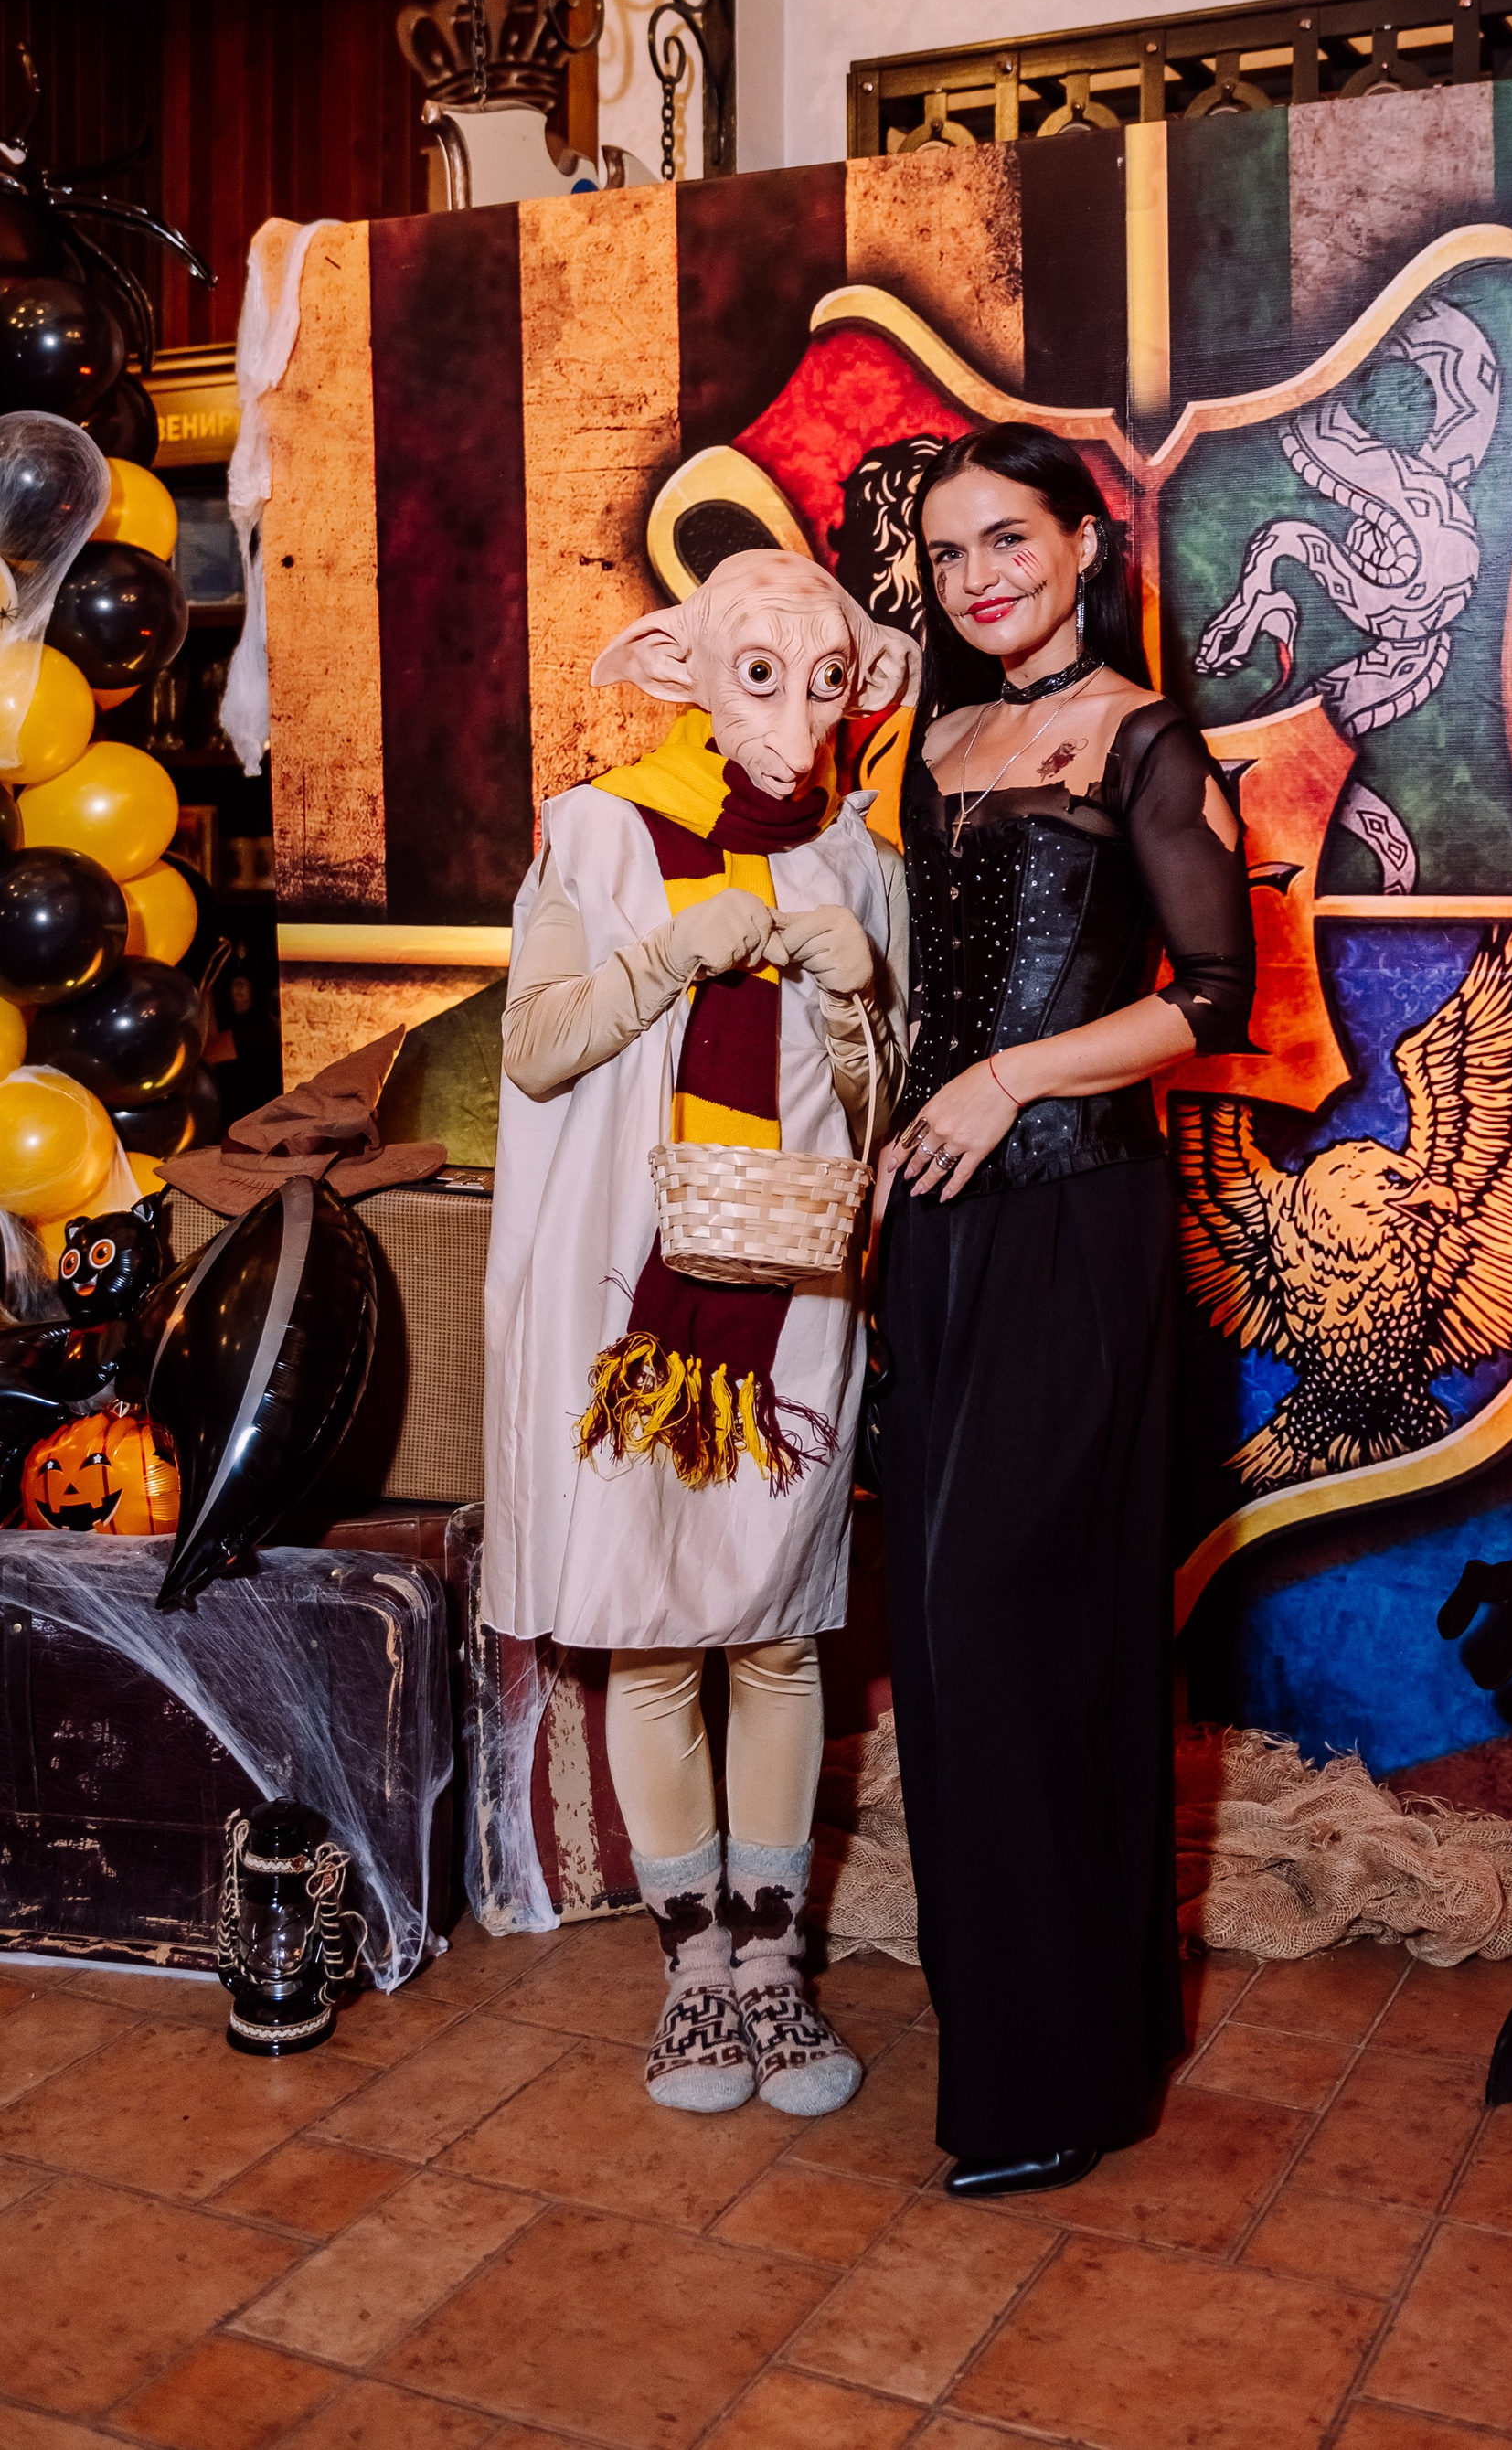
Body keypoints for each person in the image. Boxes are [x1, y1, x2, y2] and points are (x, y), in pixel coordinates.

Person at [483, 549, 914, 2117]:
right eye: (760, 675)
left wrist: (860, 999)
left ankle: (775, 1965)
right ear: (684, 672)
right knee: (656, 1632)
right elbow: (535, 1050)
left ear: (863, 688)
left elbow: (878, 1110)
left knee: (778, 1627)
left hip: (792, 1300)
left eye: (828, 680)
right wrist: (669, 952)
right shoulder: (601, 829)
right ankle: (694, 1972)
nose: (798, 715)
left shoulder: (863, 861)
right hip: (630, 1304)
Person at [877, 424, 1255, 2197]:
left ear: (1085, 546)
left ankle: (1058, 2072)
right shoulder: (936, 743)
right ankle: (1028, 2023)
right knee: (942, 1638)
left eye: (1010, 540)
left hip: (1074, 1217)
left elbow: (1216, 997)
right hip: (939, 1230)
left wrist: (1009, 1079)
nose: (981, 578)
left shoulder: (1147, 739)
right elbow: (919, 994)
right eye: (950, 553)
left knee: (1016, 1621)